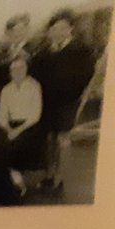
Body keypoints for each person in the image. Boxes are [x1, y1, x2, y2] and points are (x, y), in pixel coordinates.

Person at [33, 9, 94, 195]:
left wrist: (72, 94)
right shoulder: (43, 53)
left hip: (68, 102)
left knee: (63, 139)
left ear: (70, 29)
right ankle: (50, 175)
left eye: (63, 28)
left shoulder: (81, 50)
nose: (58, 32)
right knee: (49, 140)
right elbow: (35, 77)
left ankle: (60, 179)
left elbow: (86, 75)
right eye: (54, 28)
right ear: (50, 31)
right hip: (47, 103)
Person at [0, 50, 43, 198]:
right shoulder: (6, 89)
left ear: (26, 68)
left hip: (29, 125)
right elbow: (2, 116)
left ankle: (17, 183)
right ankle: (9, 181)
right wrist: (8, 129)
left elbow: (35, 115)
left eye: (21, 68)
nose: (17, 71)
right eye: (14, 69)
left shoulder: (34, 86)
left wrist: (17, 131)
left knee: (16, 144)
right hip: (9, 126)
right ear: (10, 71)